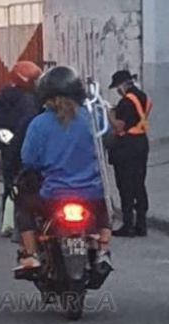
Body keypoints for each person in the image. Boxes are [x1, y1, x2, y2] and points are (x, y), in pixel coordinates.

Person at [14, 66, 112, 271]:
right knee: (105, 207)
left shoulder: (39, 124)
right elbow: (108, 140)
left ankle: (31, 254)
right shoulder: (93, 118)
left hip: (52, 195)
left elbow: (28, 160)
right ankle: (103, 250)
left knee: (23, 204)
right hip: (91, 193)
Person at [0, 61, 42, 238]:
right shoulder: (7, 96)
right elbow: (0, 126)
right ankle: (10, 222)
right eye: (34, 80)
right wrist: (10, 144)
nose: (37, 83)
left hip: (29, 146)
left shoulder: (38, 97)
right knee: (12, 185)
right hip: (15, 147)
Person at [107, 69, 152, 237]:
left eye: (117, 87)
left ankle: (128, 225)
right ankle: (141, 224)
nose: (117, 91)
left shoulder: (126, 102)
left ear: (123, 85)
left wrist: (110, 114)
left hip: (126, 146)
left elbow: (119, 126)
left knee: (125, 185)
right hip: (141, 142)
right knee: (139, 184)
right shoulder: (144, 97)